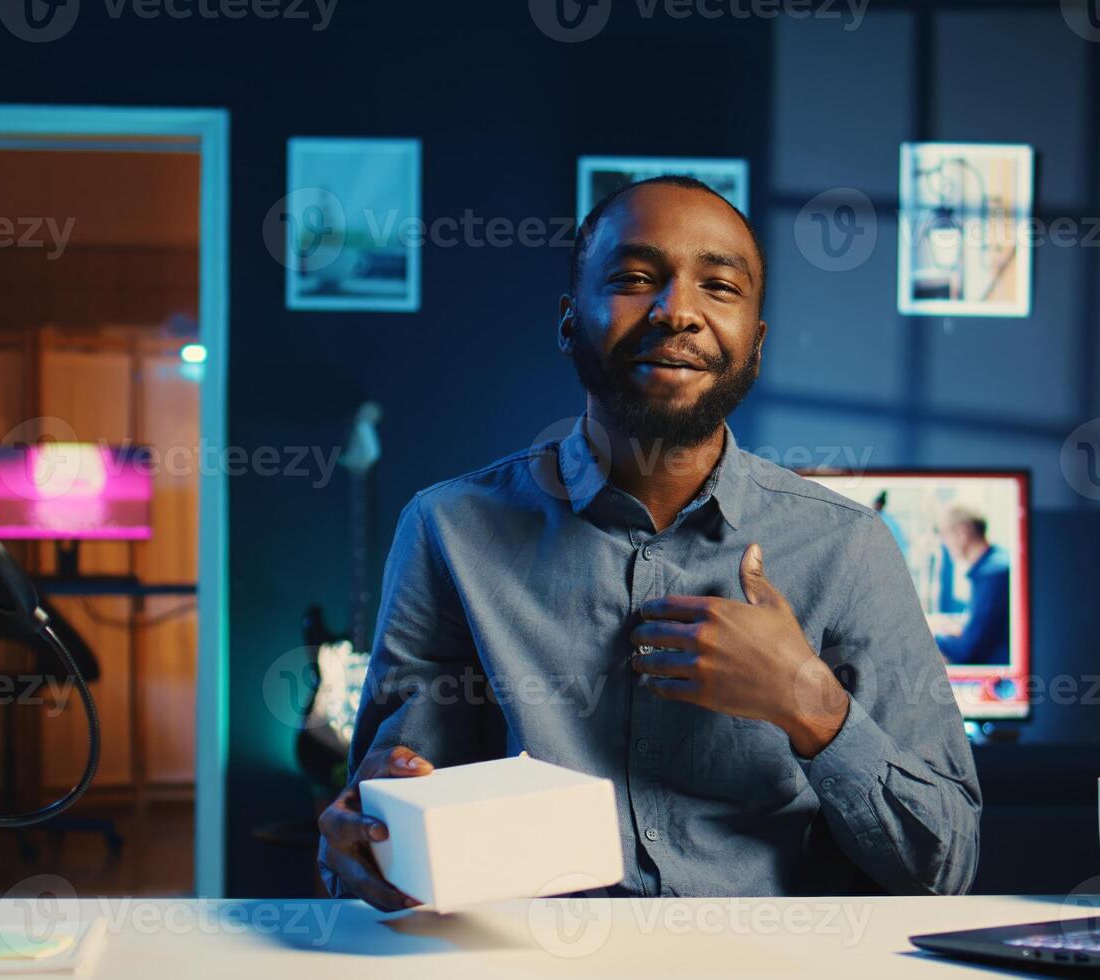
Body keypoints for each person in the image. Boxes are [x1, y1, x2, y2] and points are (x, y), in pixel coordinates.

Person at [317, 176, 979, 909]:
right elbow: (388, 821)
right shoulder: (448, 531)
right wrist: (370, 840)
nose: (677, 312)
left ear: (753, 347)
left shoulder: (847, 547)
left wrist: (809, 704)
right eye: (635, 280)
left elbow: (941, 868)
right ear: (569, 323)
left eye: (719, 288)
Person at [930, 506, 1012, 666]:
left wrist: (929, 635)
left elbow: (967, 650)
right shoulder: (996, 563)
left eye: (944, 536)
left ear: (961, 533)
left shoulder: (992, 574)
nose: (944, 545)